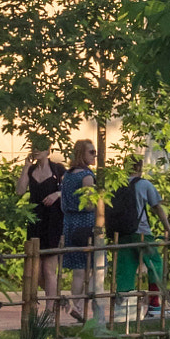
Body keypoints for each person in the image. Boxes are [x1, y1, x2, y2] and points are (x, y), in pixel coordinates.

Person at [109, 155, 170, 318]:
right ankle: (154, 306)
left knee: (125, 270)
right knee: (155, 266)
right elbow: (157, 208)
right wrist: (169, 231)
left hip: (122, 234)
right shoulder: (144, 185)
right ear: (139, 167)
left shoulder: (116, 185)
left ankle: (123, 311)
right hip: (142, 233)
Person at [17, 136, 64, 317]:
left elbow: (70, 192)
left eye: (40, 147)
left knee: (48, 269)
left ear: (48, 150)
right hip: (35, 221)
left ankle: (50, 311)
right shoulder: (31, 171)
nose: (36, 150)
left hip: (53, 221)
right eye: (34, 147)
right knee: (34, 271)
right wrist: (26, 167)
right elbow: (20, 191)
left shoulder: (58, 169)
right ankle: (45, 302)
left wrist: (57, 194)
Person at [58, 138, 99, 324]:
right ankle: (85, 307)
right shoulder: (87, 176)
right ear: (81, 153)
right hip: (86, 224)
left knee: (77, 270)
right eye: (91, 152)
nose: (95, 155)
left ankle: (76, 306)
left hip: (69, 223)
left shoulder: (66, 176)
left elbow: (63, 202)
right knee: (93, 268)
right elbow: (89, 204)